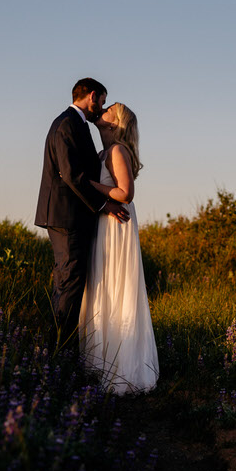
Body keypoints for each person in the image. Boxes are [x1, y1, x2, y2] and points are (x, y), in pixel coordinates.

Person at [35, 78, 129, 353]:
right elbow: (71, 175)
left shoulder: (75, 124)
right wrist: (103, 205)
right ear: (91, 96)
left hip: (69, 217)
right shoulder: (67, 124)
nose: (100, 109)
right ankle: (60, 353)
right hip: (67, 218)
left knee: (67, 284)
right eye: (100, 102)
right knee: (69, 286)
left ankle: (59, 350)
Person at [78, 102, 159, 394]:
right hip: (105, 221)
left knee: (115, 286)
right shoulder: (103, 152)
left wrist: (87, 184)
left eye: (109, 109)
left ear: (116, 122)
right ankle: (102, 362)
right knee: (102, 287)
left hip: (116, 225)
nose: (102, 110)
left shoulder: (117, 150)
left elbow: (125, 193)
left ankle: (123, 368)